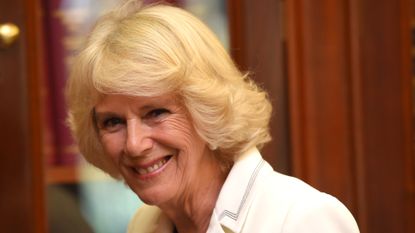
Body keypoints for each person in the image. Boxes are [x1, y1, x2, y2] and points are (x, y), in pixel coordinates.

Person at [66, 1, 360, 232]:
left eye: (156, 112)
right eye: (113, 122)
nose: (134, 144)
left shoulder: (302, 220)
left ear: (206, 109)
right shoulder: (144, 225)